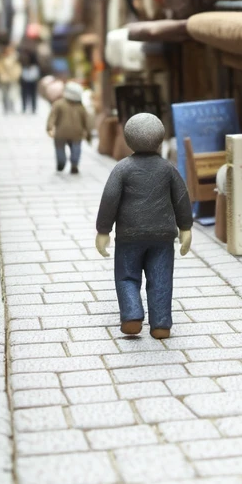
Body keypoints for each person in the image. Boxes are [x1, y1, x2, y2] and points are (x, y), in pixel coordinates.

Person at [95, 112, 192, 339]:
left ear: (128, 140)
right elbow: (181, 198)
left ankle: (131, 315)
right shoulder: (168, 169)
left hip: (129, 235)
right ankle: (160, 324)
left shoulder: (122, 169)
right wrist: (185, 227)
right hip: (163, 236)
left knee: (127, 276)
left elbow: (109, 199)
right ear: (160, 139)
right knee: (161, 278)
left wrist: (103, 230)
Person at [47, 81, 91, 174]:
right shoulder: (80, 107)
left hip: (60, 133)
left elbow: (52, 117)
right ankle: (74, 164)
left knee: (60, 149)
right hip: (77, 133)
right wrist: (88, 133)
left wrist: (49, 128)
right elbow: (86, 121)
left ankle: (61, 163)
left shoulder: (58, 104)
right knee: (76, 149)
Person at [0, 43, 21, 113]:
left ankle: (11, 107)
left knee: (12, 94)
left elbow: (17, 68)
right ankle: (6, 107)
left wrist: (16, 75)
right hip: (4, 78)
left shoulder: (14, 58)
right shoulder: (1, 58)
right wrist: (2, 75)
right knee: (4, 93)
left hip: (12, 78)